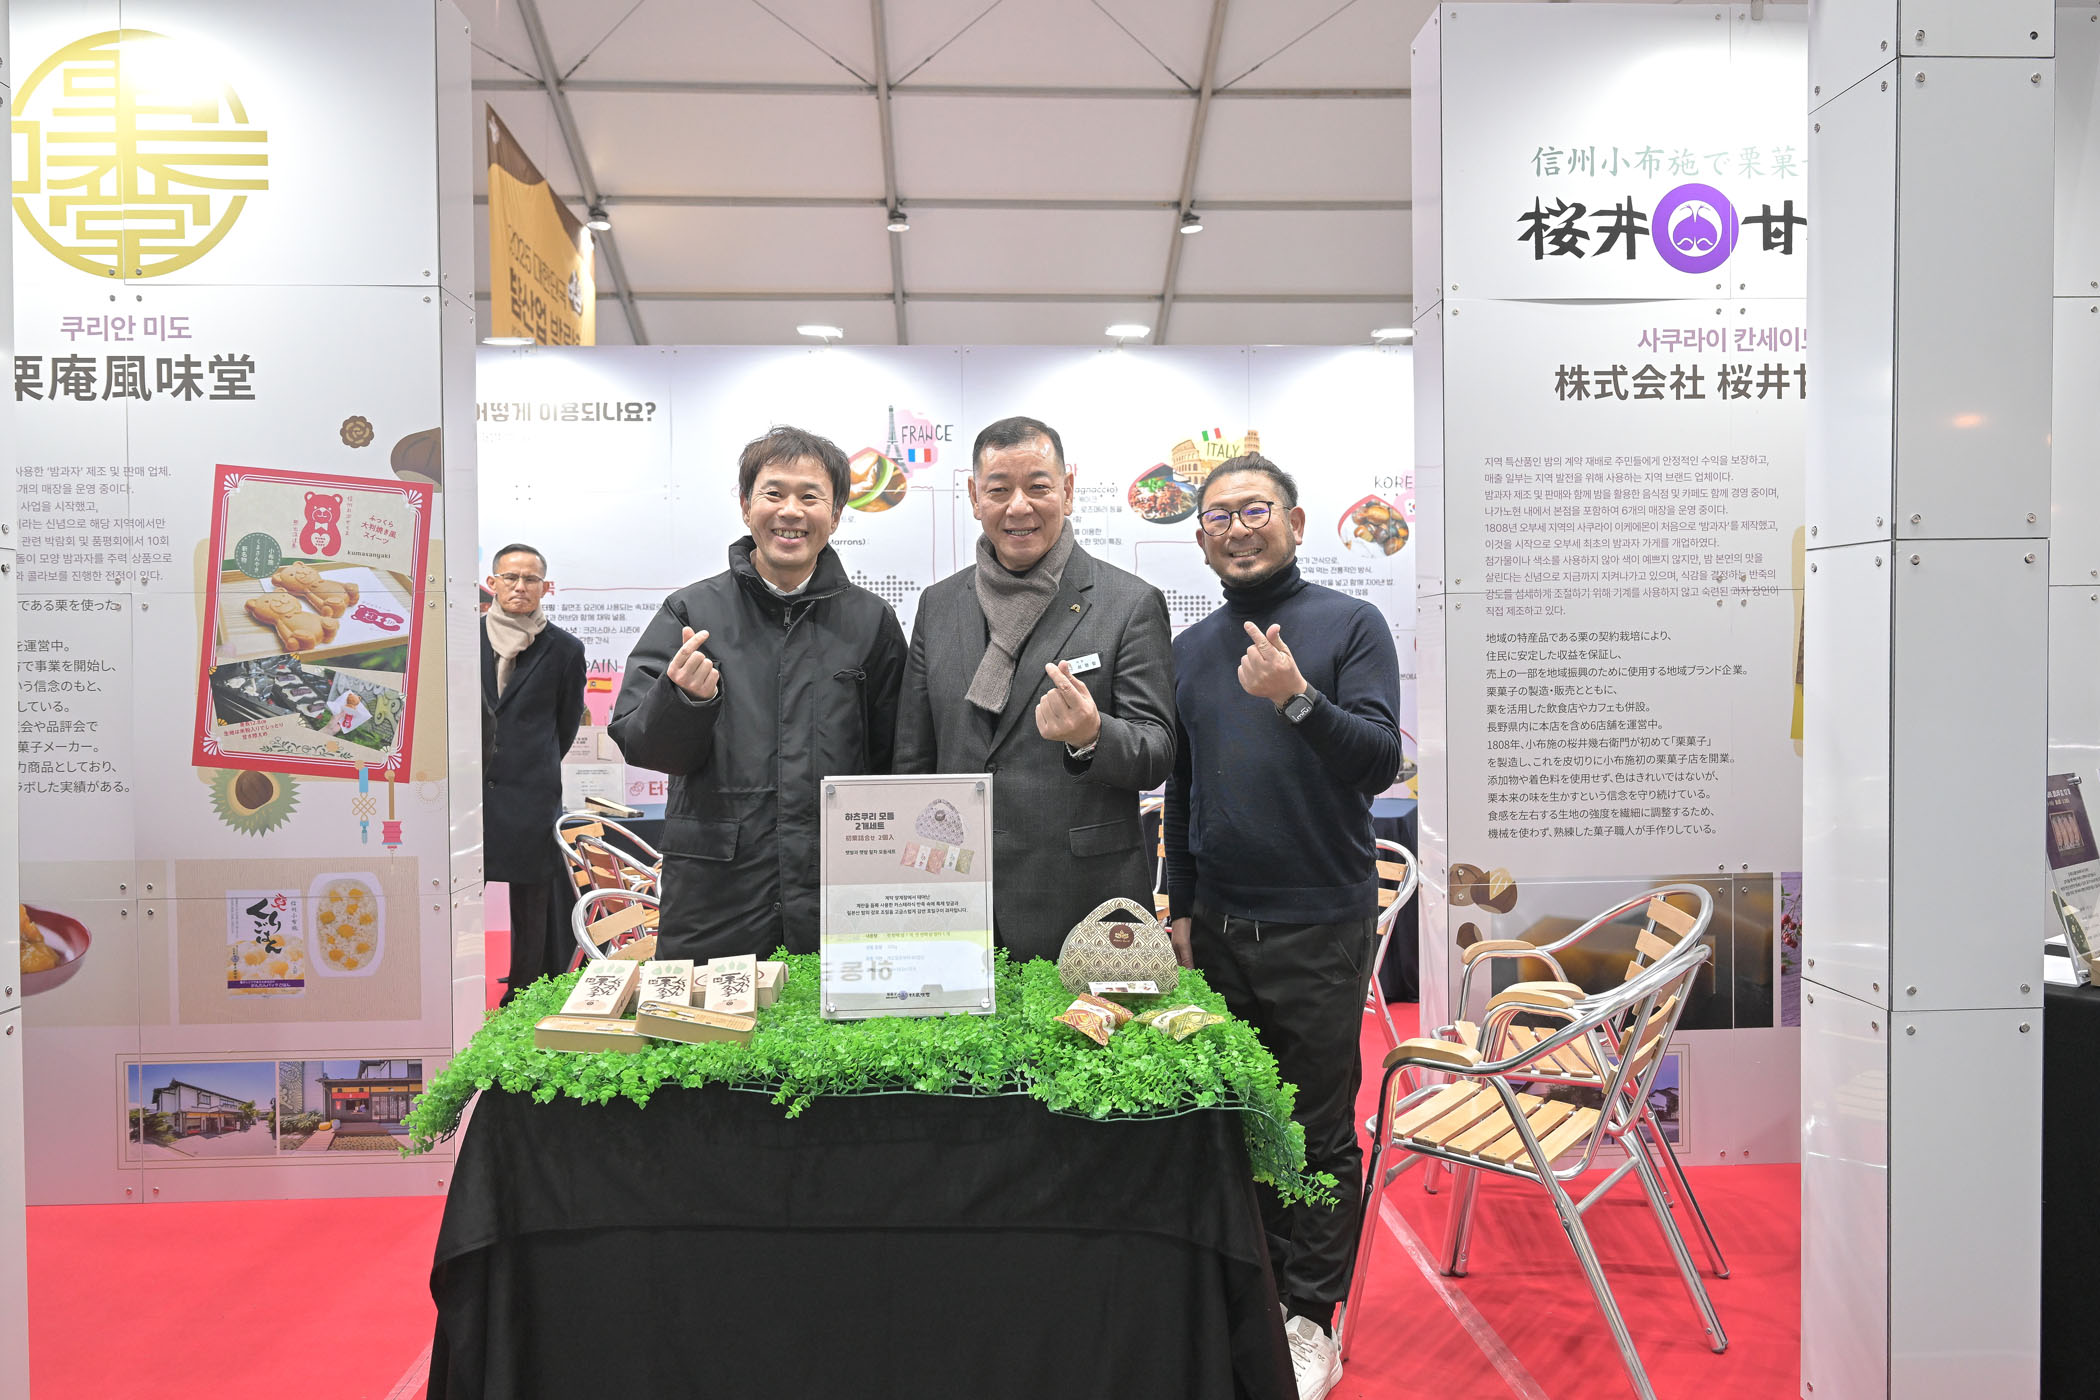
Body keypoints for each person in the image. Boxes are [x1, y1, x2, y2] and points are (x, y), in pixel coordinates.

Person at [1161, 453, 1403, 1400]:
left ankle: (1311, 1317)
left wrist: (1297, 698)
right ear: (1200, 539)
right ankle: (1257, 1297)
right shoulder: (1191, 648)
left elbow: (1377, 763)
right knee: (1240, 1120)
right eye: (1219, 516)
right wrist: (1181, 906)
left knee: (1316, 1129)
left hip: (1319, 924)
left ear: (1295, 523)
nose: (1238, 528)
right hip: (1219, 927)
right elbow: (1182, 790)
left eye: (1255, 509)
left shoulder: (1350, 624)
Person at [609, 426, 907, 961]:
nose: (791, 511)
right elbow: (640, 743)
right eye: (774, 493)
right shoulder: (691, 612)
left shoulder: (871, 621)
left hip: (837, 885)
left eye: (810, 496)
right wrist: (683, 701)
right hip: (715, 891)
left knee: (834, 1014)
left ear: (836, 514)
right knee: (706, 1012)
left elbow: (897, 759)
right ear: (746, 506)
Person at [895, 415, 1175, 960]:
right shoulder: (939, 605)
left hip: (1083, 901)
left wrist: (1092, 736)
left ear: (1067, 490)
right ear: (974, 498)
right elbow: (913, 758)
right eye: (999, 490)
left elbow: (1157, 752)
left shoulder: (1129, 603)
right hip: (957, 898)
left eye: (1038, 487)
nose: (1018, 507)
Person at [481, 543, 588, 1002]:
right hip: (469, 791)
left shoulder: (565, 649)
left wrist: (533, 761)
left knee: (532, 899)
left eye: (530, 579)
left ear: (545, 587)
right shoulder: (462, 638)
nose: (520, 587)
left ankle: (525, 993)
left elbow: (566, 723)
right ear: (493, 583)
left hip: (531, 791)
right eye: (510, 577)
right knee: (457, 891)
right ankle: (455, 986)